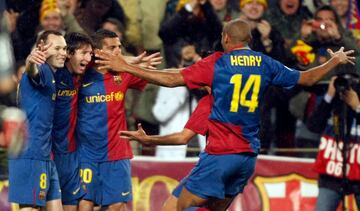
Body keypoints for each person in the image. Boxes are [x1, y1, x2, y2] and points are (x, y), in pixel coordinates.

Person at [94, 19, 355, 210]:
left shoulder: (218, 63)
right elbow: (307, 78)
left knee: (172, 207)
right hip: (248, 158)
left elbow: (172, 80)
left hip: (219, 156)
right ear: (249, 41)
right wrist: (334, 61)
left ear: (226, 39)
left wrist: (124, 66)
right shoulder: (266, 63)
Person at [76, 29, 160, 211]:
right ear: (97, 52)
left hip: (117, 152)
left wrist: (136, 65)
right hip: (85, 153)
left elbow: (155, 78)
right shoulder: (80, 74)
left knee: (117, 205)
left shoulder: (124, 73)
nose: (118, 52)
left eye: (119, 47)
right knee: (84, 203)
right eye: (112, 47)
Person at [120, 94, 212, 211]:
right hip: (217, 160)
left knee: (177, 207)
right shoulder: (216, 98)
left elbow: (182, 137)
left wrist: (148, 140)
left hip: (209, 160)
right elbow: (160, 114)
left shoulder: (210, 100)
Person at [9, 30, 66, 211]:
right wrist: (31, 61)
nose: (63, 53)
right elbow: (31, 70)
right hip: (29, 154)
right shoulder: (41, 70)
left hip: (45, 156)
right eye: (57, 48)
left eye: (64, 48)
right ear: (42, 47)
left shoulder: (51, 74)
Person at [52, 32, 93, 211]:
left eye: (90, 54)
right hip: (49, 152)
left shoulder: (81, 76)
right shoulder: (52, 74)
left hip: (70, 154)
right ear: (69, 53)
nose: (88, 58)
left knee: (71, 206)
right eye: (83, 53)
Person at [306, 76, 360, 211]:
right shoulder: (331, 103)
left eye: (353, 82)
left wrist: (357, 106)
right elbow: (313, 126)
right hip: (332, 173)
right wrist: (329, 96)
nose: (348, 87)